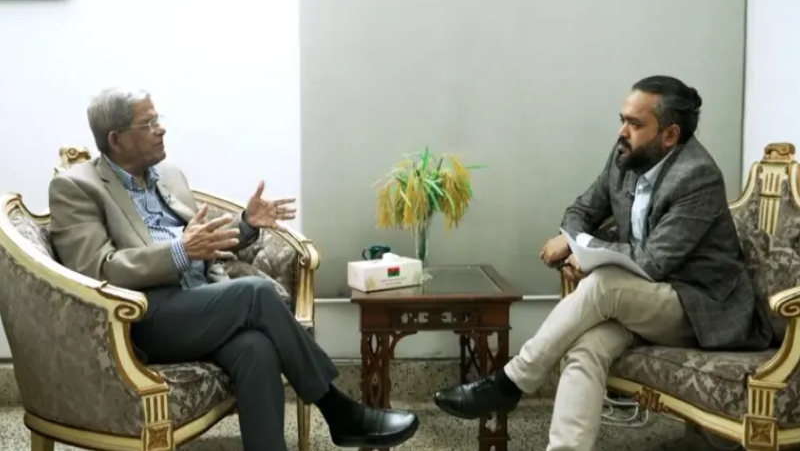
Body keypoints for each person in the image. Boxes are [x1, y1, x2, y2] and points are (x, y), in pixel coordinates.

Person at [48, 87, 420, 451]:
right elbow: (97, 269)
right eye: (148, 124)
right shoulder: (75, 187)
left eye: (158, 119)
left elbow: (203, 243)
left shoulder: (169, 175)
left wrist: (245, 224)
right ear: (116, 139)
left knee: (256, 348)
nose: (161, 129)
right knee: (255, 293)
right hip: (142, 316)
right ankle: (339, 411)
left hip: (200, 301)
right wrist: (179, 253)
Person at [432, 75, 773, 451]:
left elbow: (653, 261)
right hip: (645, 301)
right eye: (623, 119)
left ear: (670, 135)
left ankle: (511, 382)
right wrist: (574, 239)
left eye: (635, 123)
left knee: (604, 283)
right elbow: (582, 209)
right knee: (587, 347)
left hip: (701, 307)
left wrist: (582, 252)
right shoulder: (625, 155)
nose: (622, 131)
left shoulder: (697, 176)